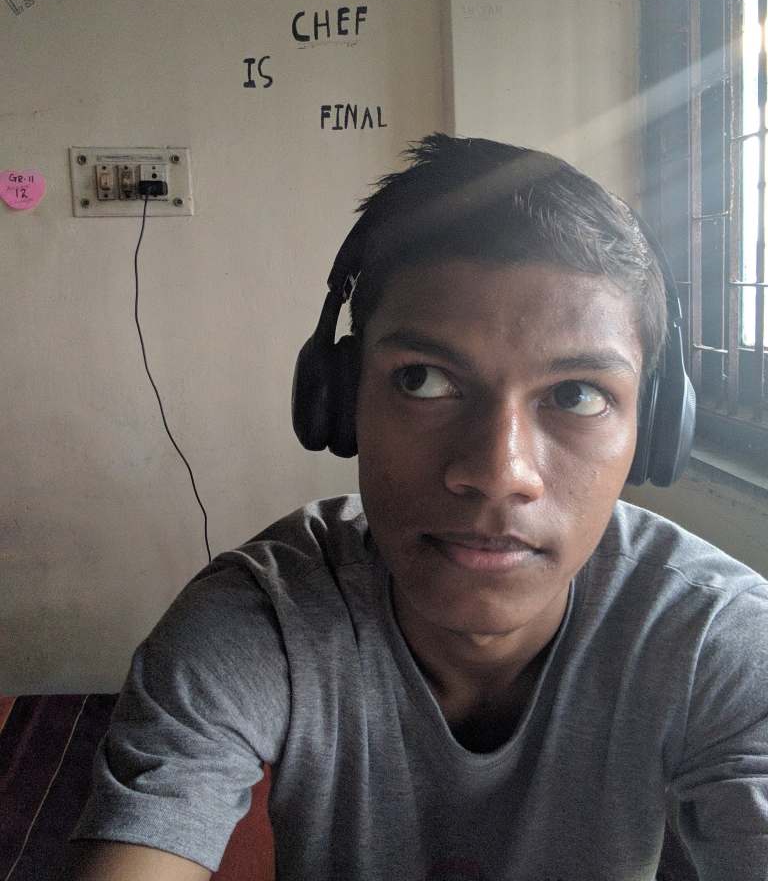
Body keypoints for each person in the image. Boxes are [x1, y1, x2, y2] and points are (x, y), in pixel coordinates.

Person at [64, 135, 768, 880]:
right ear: (340, 401)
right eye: (423, 379)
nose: (498, 474)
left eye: (576, 394)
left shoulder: (716, 639)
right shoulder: (260, 621)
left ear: (652, 429)